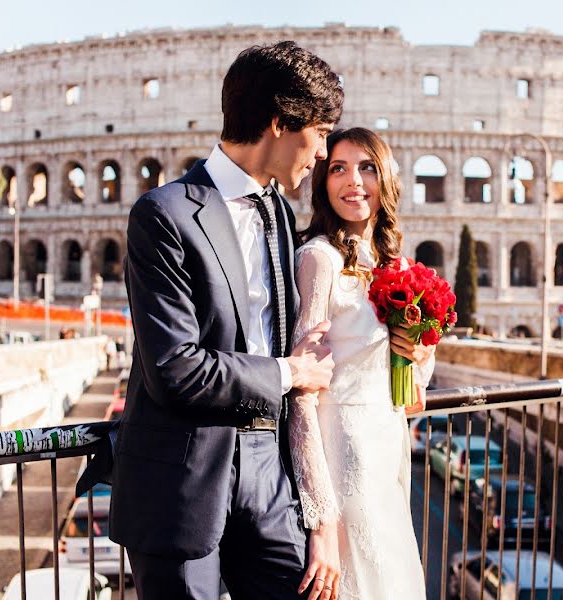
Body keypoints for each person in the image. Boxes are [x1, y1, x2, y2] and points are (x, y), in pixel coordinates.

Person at [105, 41, 344, 600]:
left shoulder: (280, 213)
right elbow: (177, 369)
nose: (322, 151)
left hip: (268, 470)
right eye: (321, 131)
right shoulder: (163, 214)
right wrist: (290, 373)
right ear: (281, 123)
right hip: (184, 474)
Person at [288, 127, 434, 599]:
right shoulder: (319, 258)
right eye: (339, 168)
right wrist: (320, 515)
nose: (354, 181)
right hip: (343, 445)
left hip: (388, 442)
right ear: (323, 182)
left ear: (385, 178)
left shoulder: (394, 264)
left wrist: (418, 352)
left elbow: (412, 391)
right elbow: (302, 390)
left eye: (367, 167)